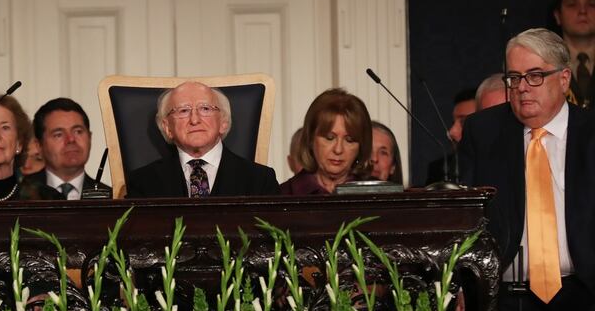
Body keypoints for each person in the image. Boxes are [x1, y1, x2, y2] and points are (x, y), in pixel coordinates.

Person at [459, 28, 595, 311]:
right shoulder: (484, 132)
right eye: (514, 78)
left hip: (584, 283)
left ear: (563, 78)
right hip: (510, 287)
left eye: (535, 76)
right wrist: (464, 286)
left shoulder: (589, 133)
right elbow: (469, 219)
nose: (522, 88)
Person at [126, 81, 279, 197]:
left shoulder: (261, 181)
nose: (194, 120)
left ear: (223, 122)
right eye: (183, 110)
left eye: (205, 109)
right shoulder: (143, 183)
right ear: (167, 127)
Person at [280, 88, 372, 194]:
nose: (338, 150)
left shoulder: (379, 195)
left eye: (349, 140)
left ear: (361, 145)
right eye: (329, 138)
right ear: (310, 138)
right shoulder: (285, 194)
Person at [24, 97, 111, 199]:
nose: (71, 139)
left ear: (90, 137)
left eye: (78, 131)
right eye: (59, 134)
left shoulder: (113, 199)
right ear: (39, 145)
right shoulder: (20, 194)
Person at [554, 0, 595, 109]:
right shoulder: (544, 62)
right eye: (572, 4)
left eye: (592, 4)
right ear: (558, 16)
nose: (583, 11)